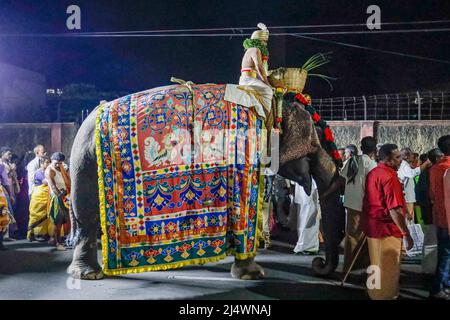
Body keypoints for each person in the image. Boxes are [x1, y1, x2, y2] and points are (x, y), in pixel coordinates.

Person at [363, 143, 414, 300]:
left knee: (375, 264)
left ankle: (373, 292)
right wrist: (406, 234)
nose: (401, 160)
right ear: (388, 160)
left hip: (372, 226)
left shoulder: (373, 172)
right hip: (387, 228)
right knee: (389, 269)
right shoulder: (390, 176)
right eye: (397, 157)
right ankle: (385, 296)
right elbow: (394, 210)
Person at [323, 137, 378, 271]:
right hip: (365, 206)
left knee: (352, 237)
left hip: (352, 205)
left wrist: (326, 193)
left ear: (361, 147)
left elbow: (340, 180)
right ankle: (357, 268)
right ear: (375, 150)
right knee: (363, 238)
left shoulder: (353, 161)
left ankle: (349, 267)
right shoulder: (372, 165)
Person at [429, 135, 450, 300]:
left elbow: (432, 194)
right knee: (446, 254)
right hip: (448, 217)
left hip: (439, 215)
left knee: (444, 252)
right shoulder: (448, 167)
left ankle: (443, 284)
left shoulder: (435, 167)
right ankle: (438, 287)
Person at [416, 148, 444, 274]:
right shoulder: (432, 172)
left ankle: (430, 268)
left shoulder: (428, 172)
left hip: (431, 211)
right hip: (432, 212)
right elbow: (425, 194)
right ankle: (429, 270)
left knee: (432, 241)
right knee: (431, 241)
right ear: (437, 158)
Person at [239, 23, 273, 118]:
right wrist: (266, 83)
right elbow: (259, 67)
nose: (265, 44)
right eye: (264, 41)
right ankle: (263, 116)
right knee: (268, 91)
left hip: (248, 78)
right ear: (259, 41)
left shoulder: (250, 49)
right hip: (248, 79)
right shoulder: (255, 50)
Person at [46, 152, 71, 251]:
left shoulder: (61, 168)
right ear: (51, 159)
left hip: (64, 195)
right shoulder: (49, 171)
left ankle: (54, 239)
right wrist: (61, 196)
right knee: (58, 220)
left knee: (64, 219)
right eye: (56, 163)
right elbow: (53, 186)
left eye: (60, 163)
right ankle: (58, 243)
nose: (58, 165)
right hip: (57, 197)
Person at [397, 147, 431, 222]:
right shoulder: (404, 165)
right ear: (407, 156)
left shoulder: (404, 165)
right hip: (406, 194)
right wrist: (426, 163)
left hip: (406, 194)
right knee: (409, 215)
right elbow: (413, 173)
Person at [293, 178, 320, 255]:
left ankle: (304, 244)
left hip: (304, 188)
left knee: (303, 218)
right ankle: (306, 245)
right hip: (310, 189)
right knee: (308, 218)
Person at [27, 157, 52, 242]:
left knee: (45, 214)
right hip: (39, 196)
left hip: (46, 196)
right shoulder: (39, 172)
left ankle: (43, 233)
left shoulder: (47, 171)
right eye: (46, 163)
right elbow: (46, 182)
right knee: (37, 215)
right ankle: (34, 234)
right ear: (41, 164)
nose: (48, 164)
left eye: (49, 162)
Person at [0, 147, 17, 240]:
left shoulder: (6, 164)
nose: (10, 156)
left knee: (7, 212)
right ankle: (4, 236)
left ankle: (6, 235)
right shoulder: (1, 165)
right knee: (5, 212)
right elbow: (5, 181)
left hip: (8, 188)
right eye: (8, 154)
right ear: (2, 153)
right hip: (3, 190)